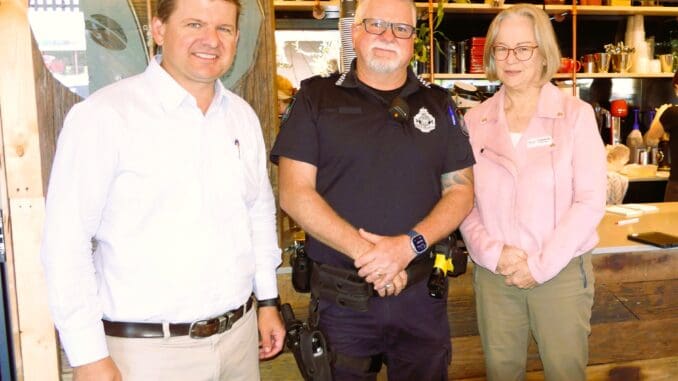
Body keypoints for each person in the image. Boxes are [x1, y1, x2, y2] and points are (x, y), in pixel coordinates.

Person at [40, 0, 284, 380]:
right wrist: (87, 355)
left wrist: (268, 301)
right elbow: (65, 242)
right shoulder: (103, 117)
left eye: (224, 29)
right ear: (158, 30)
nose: (211, 40)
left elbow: (257, 213)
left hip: (239, 338)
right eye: (194, 24)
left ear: (236, 38)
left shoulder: (241, 116)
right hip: (147, 354)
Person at [270, 0, 475, 378]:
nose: (387, 36)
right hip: (342, 303)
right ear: (354, 31)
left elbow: (461, 191)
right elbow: (294, 193)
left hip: (420, 300)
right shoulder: (316, 98)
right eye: (376, 24)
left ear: (414, 40)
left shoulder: (440, 104)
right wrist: (373, 255)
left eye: (401, 29)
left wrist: (405, 247)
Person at [459, 4, 607, 381]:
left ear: (543, 53)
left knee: (565, 373)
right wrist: (494, 254)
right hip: (496, 276)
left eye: (523, 48)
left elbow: (590, 201)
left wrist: (538, 266)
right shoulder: (475, 121)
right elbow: (462, 200)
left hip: (559, 275)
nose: (511, 59)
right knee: (501, 373)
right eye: (501, 48)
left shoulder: (575, 115)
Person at [644, 69, 678, 201]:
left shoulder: (672, 113)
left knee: (670, 221)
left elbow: (650, 140)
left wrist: (660, 114)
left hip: (677, 186)